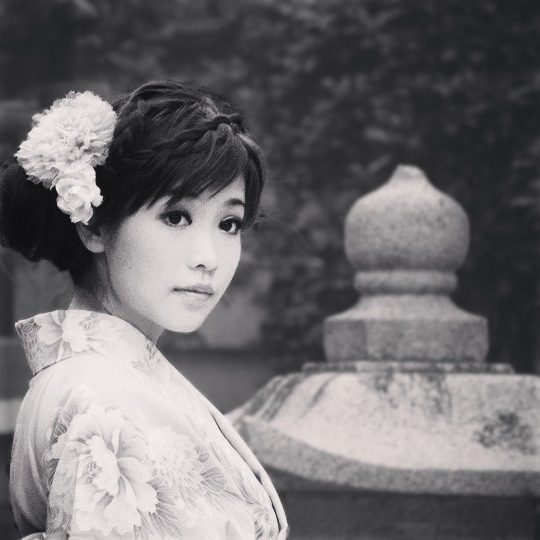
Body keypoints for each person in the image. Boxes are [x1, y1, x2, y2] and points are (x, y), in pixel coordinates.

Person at [0, 80, 288, 539]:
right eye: (176, 217)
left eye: (229, 223)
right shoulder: (101, 402)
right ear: (94, 227)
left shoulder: (110, 379)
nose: (209, 257)